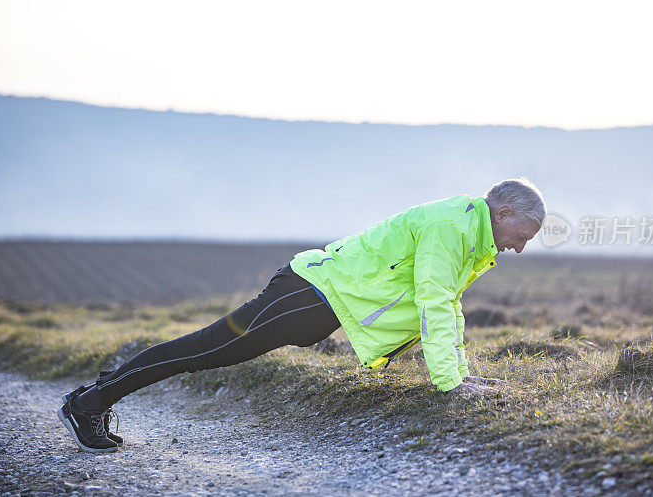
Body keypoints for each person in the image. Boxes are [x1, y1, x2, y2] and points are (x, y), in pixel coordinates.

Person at [57, 178, 546, 453]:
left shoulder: (466, 229)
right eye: (522, 235)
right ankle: (89, 402)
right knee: (202, 350)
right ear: (501, 212)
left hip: (318, 299)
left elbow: (447, 304)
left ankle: (94, 397)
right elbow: (434, 300)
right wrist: (450, 385)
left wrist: (461, 375)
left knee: (204, 351)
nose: (520, 248)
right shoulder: (451, 226)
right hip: (310, 293)